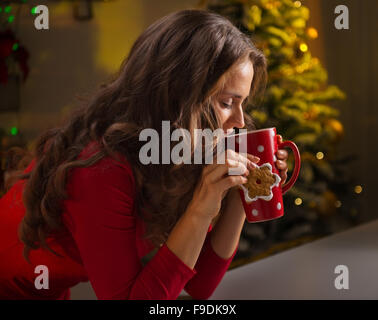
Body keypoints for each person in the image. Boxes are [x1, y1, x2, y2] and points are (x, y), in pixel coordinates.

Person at [0, 9, 289, 300]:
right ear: (179, 97)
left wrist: (247, 191)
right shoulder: (103, 168)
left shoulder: (174, 151)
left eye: (242, 103)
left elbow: (199, 286)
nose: (240, 120)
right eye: (227, 102)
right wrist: (200, 207)